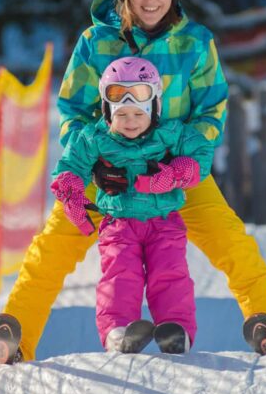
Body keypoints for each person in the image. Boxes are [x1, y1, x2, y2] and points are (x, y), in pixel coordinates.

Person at [0, 0, 266, 363]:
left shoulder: (194, 42)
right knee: (51, 248)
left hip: (175, 175)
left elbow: (211, 110)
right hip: (109, 175)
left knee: (232, 243)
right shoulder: (94, 43)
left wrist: (185, 166)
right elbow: (73, 110)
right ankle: (15, 337)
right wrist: (95, 163)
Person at [52, 57, 213, 354]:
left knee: (170, 273)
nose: (130, 121)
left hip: (164, 220)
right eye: (121, 114)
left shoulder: (170, 133)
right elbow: (70, 163)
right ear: (106, 111)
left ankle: (176, 331)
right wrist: (70, 190)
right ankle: (118, 332)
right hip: (119, 222)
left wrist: (176, 174)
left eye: (138, 113)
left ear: (154, 109)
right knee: (119, 276)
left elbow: (201, 153)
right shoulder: (95, 138)